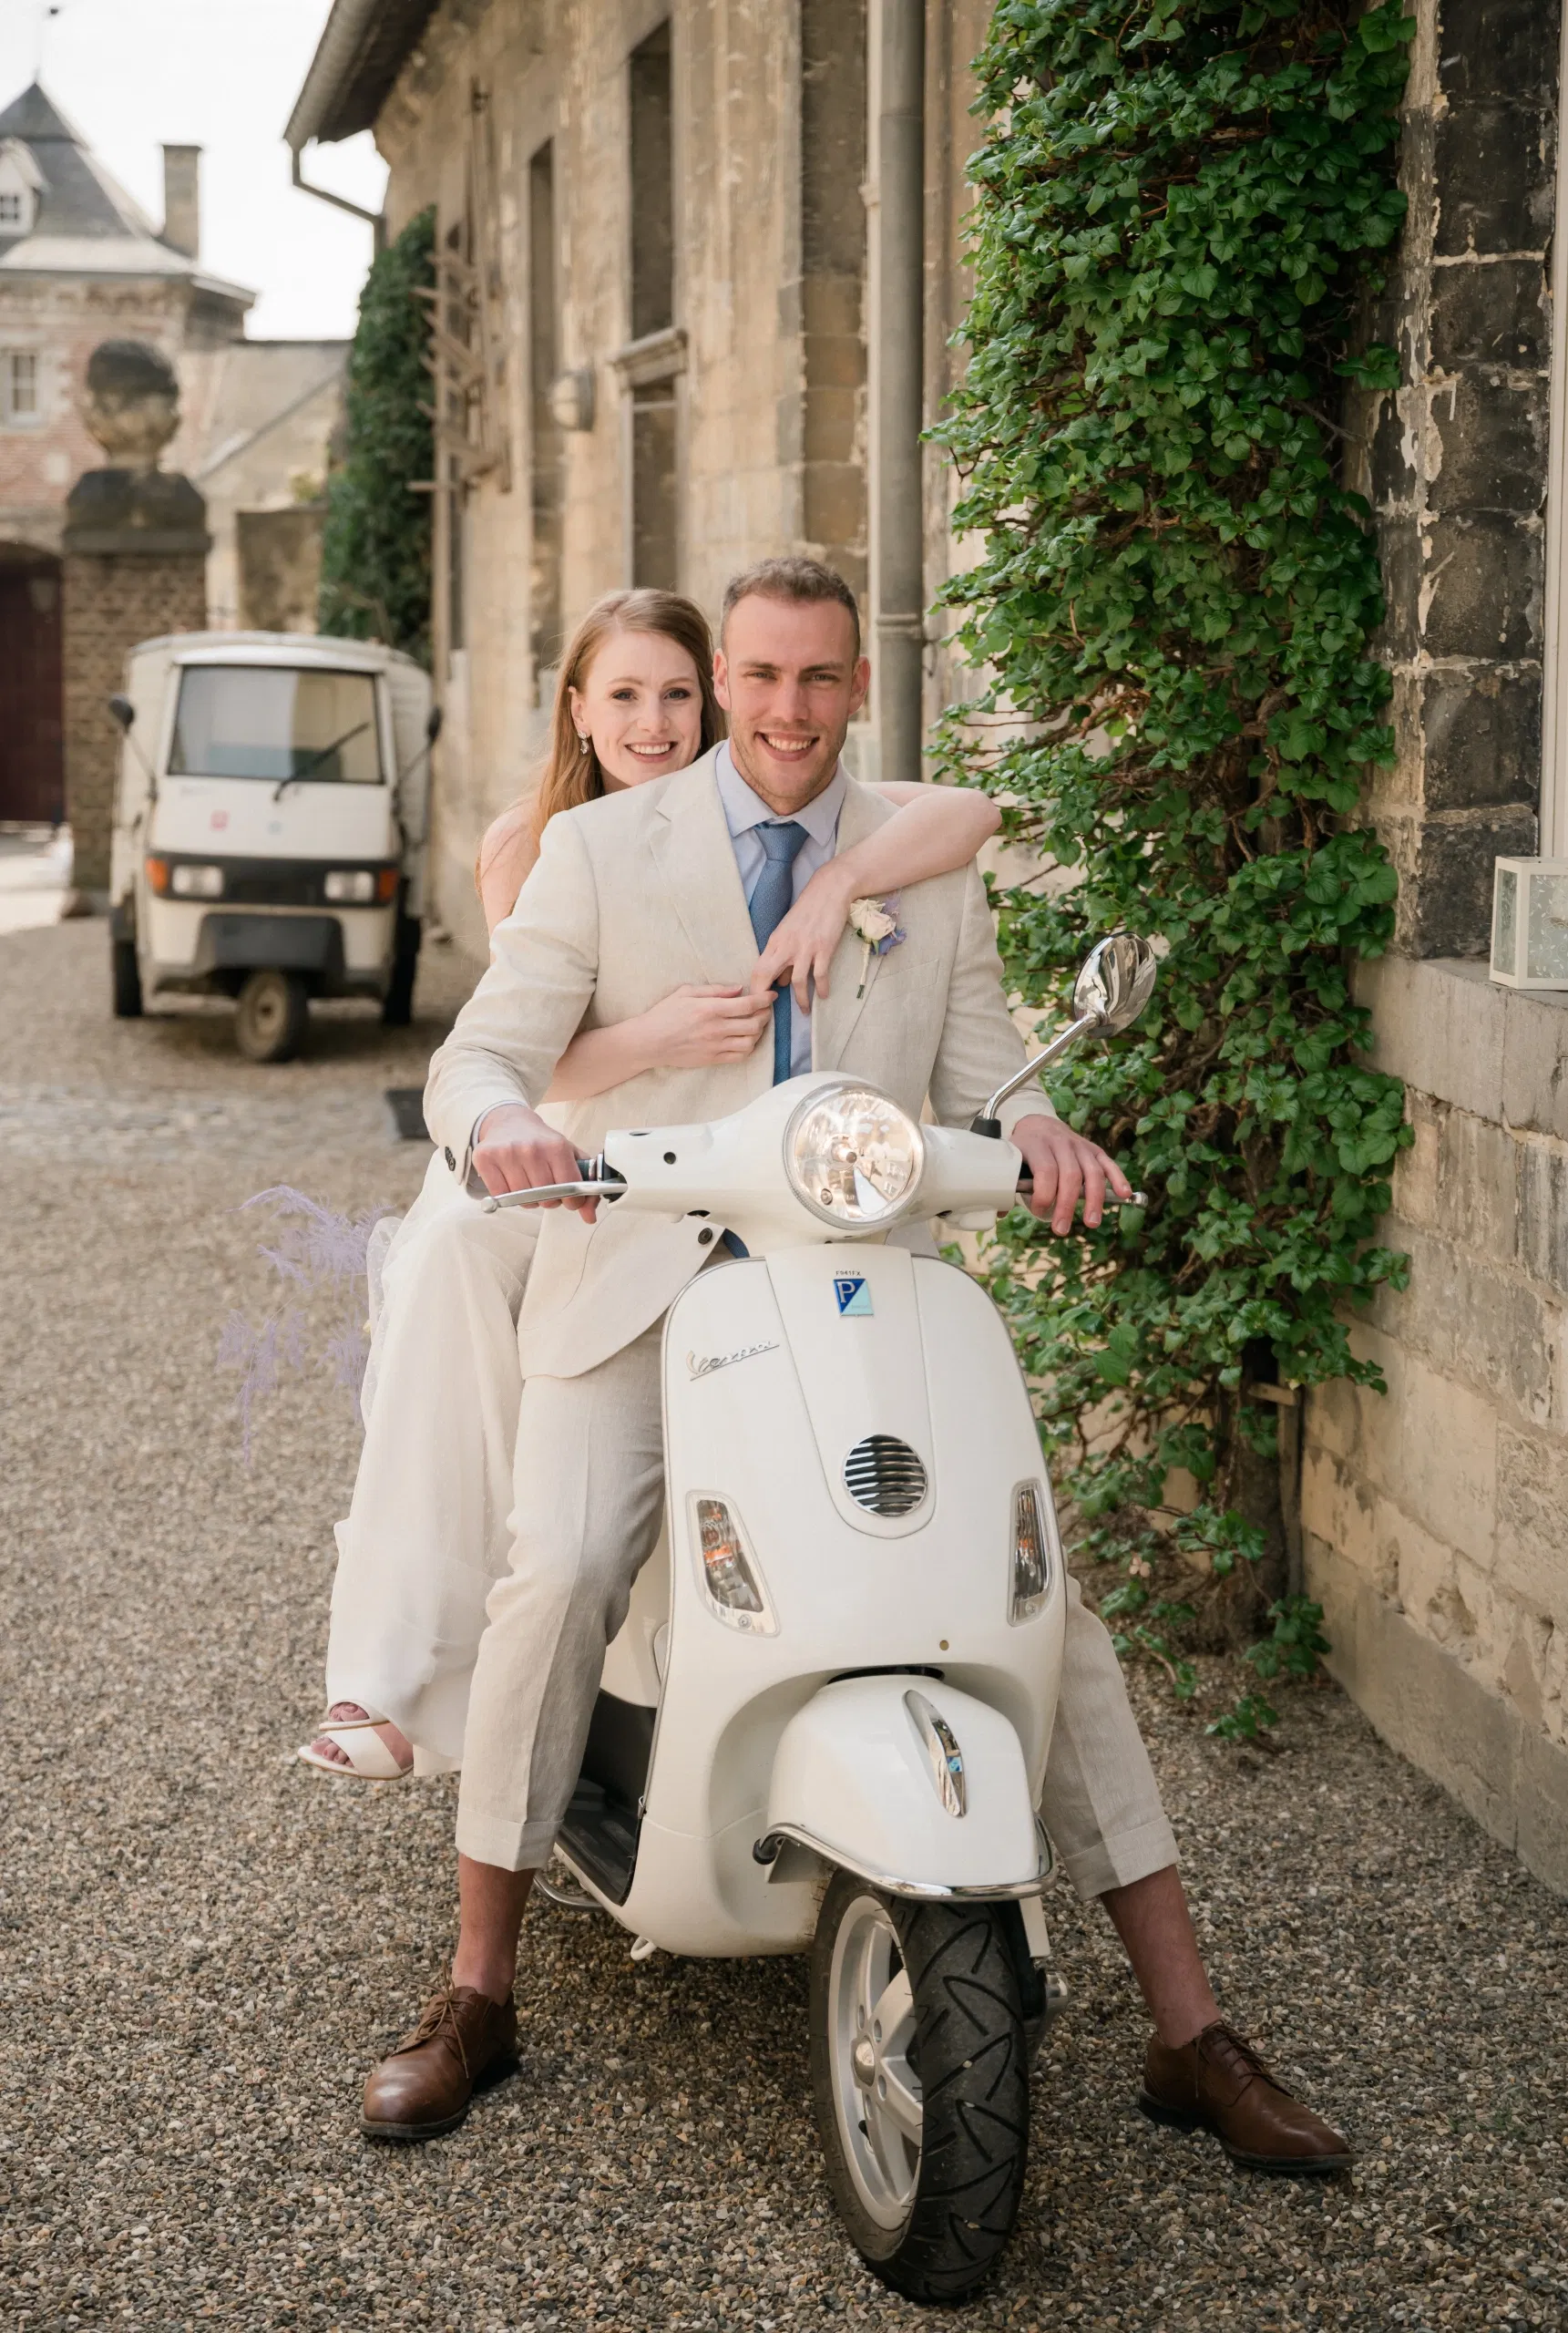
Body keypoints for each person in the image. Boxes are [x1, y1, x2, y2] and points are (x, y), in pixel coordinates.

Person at [360, 558, 1351, 2176]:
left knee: (1050, 1611)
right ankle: (477, 1989)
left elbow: (980, 1065)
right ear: (723, 675)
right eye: (755, 677)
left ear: (855, 689)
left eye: (818, 680)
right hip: (637, 1283)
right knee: (564, 1570)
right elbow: (480, 1047)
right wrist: (506, 1122)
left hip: (860, 1294)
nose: (784, 711)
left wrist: (1033, 1125)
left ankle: (1191, 2030)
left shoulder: (910, 861)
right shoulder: (605, 850)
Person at [301, 586, 1002, 1780]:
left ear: (714, 695)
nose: (656, 721)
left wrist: (840, 883)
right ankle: (398, 1665)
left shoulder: (793, 822)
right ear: (579, 710)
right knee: (465, 1257)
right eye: (625, 695)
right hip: (562, 1150)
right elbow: (520, 1053)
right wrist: (657, 1040)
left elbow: (974, 808)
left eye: (678, 693)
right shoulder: (542, 843)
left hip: (712, 1172)